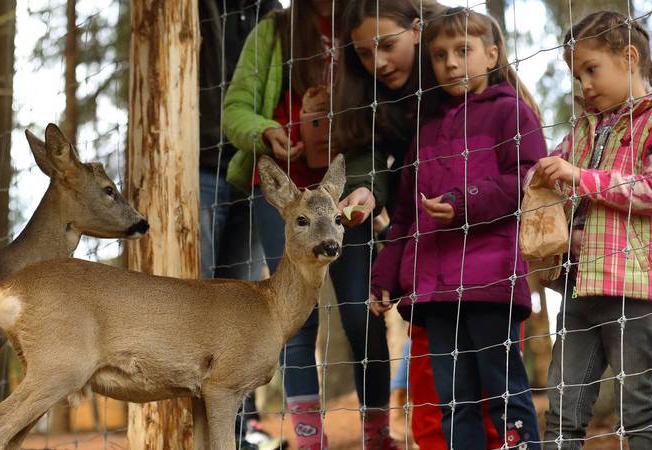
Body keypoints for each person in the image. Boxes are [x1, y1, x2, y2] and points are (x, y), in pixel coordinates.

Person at [369, 7, 544, 449]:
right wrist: (383, 278)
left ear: (491, 55)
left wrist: (464, 204)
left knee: (505, 393)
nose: (450, 63)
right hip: (435, 291)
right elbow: (405, 216)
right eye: (440, 54)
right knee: (453, 401)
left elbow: (526, 180)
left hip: (491, 284)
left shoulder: (512, 113)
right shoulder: (425, 129)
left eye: (462, 51)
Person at [335, 2, 506, 449]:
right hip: (428, 261)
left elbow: (519, 167)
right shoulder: (374, 99)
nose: (379, 63)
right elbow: (387, 178)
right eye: (365, 55)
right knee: (437, 384)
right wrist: (370, 191)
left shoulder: (472, 76)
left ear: (417, 30)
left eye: (387, 46)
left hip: (492, 256)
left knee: (498, 382)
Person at [535, 11, 652, 450]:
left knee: (640, 409)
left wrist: (579, 177)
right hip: (580, 287)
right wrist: (544, 180)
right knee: (561, 408)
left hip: (637, 291)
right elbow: (556, 178)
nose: (583, 85)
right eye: (577, 75)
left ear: (629, 57)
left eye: (591, 69)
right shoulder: (586, 126)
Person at [222, 1, 340, 448]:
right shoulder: (275, 31)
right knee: (295, 317)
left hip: (347, 187)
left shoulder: (364, 25)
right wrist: (265, 130)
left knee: (357, 310)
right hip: (281, 190)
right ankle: (310, 439)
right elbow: (235, 108)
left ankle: (376, 430)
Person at [198, 1, 285, 449]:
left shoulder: (277, 16)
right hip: (193, 164)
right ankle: (187, 430)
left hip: (252, 170)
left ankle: (239, 429)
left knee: (242, 308)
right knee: (192, 296)